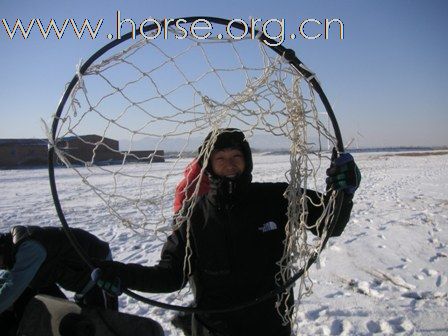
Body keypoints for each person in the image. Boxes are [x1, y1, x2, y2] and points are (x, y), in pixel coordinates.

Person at [94, 128, 361, 336]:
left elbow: (330, 225)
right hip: (213, 329)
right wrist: (123, 274)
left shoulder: (279, 197)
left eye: (236, 157)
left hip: (271, 326)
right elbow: (170, 276)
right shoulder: (192, 214)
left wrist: (343, 190)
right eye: (220, 159)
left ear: (247, 160)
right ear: (208, 165)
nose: (229, 165)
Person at [0, 225, 118, 335]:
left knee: (104, 325)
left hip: (98, 269)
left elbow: (13, 287)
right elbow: (7, 280)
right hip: (79, 277)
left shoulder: (28, 248)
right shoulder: (13, 251)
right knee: (86, 324)